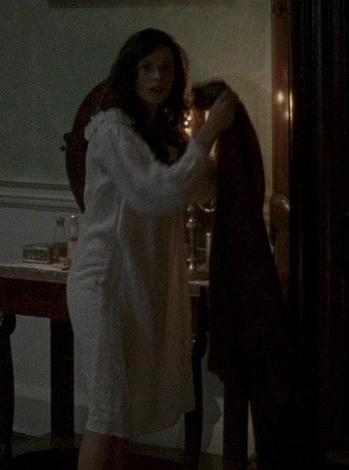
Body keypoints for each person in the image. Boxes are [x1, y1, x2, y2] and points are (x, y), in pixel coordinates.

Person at [66, 28, 238, 469]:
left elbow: (199, 188)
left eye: (166, 68)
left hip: (135, 281)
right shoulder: (112, 131)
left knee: (122, 414)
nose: (157, 77)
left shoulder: (158, 132)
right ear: (131, 72)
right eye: (147, 67)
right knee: (107, 411)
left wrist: (208, 141)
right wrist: (209, 132)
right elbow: (156, 192)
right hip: (105, 283)